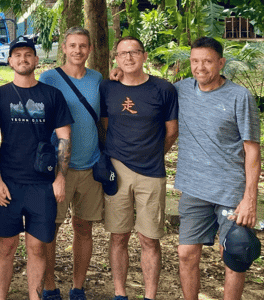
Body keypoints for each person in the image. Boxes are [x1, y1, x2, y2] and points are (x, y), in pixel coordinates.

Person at [173, 37, 261, 300]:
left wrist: (250, 199)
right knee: (186, 254)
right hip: (193, 187)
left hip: (231, 190)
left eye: (208, 61)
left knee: (234, 252)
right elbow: (146, 89)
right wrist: (119, 74)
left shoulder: (239, 96)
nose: (200, 67)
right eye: (195, 61)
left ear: (221, 63)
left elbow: (252, 150)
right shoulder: (181, 90)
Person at [0, 35, 73, 300]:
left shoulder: (52, 95)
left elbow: (64, 139)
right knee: (6, 246)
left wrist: (60, 178)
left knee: (37, 247)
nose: (23, 59)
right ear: (10, 60)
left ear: (36, 60)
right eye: (17, 55)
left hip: (42, 184)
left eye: (28, 55)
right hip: (9, 183)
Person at [100, 36, 178, 300]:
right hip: (117, 169)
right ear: (116, 58)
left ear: (144, 56)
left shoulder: (163, 89)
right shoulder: (107, 87)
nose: (129, 57)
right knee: (118, 236)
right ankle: (120, 293)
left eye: (135, 52)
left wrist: (152, 153)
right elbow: (107, 122)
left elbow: (171, 131)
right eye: (123, 53)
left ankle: (150, 296)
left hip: (151, 173)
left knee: (149, 239)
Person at [38, 27, 103, 300]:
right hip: (58, 167)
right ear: (63, 48)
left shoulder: (98, 78)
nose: (78, 50)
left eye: (83, 46)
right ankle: (49, 285)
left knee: (83, 227)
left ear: (89, 49)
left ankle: (78, 286)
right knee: (50, 226)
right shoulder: (49, 78)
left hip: (91, 165)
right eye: (73, 45)